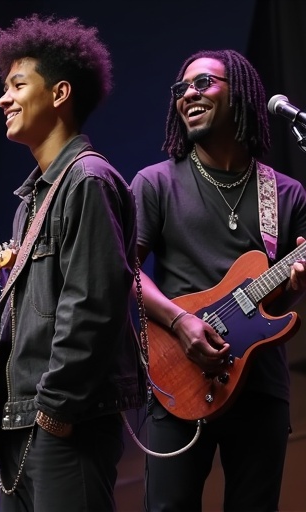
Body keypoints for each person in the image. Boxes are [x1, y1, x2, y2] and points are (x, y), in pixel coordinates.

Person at [0, 14, 146, 512]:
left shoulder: (87, 180)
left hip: (63, 422)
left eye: (18, 85)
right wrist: (2, 361)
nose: (3, 99)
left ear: (60, 93)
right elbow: (45, 309)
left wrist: (55, 411)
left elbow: (92, 307)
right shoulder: (32, 201)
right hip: (19, 422)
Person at [131, 49, 306, 511]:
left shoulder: (285, 193)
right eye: (182, 88)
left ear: (242, 96)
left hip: (260, 384)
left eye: (205, 83)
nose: (189, 93)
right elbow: (122, 270)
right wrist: (180, 322)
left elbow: (283, 293)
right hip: (178, 378)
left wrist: (294, 284)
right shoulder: (155, 183)